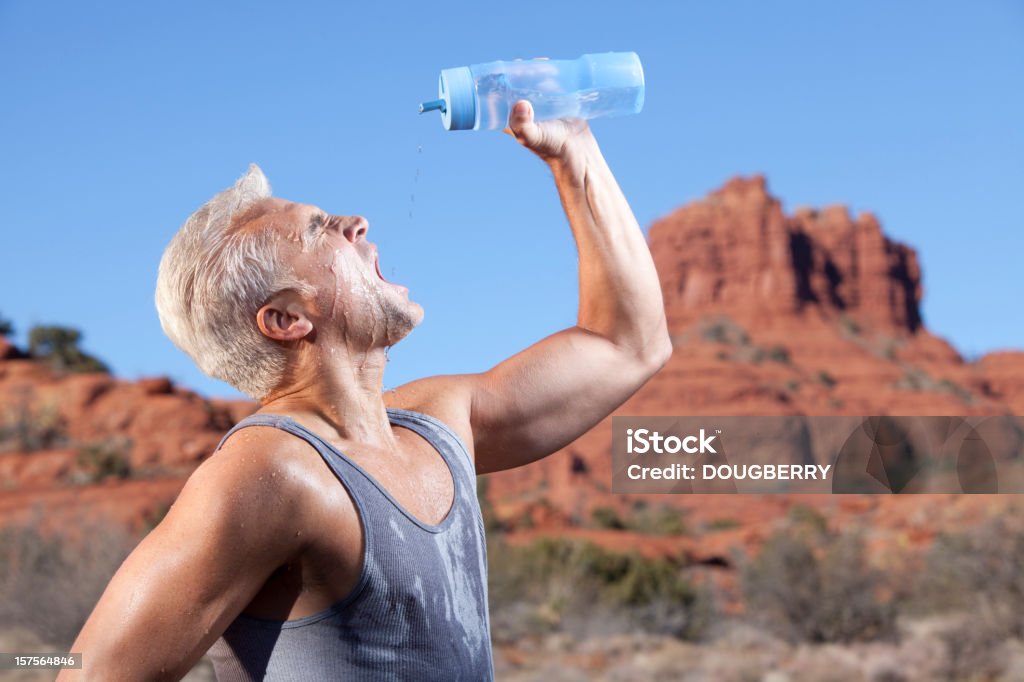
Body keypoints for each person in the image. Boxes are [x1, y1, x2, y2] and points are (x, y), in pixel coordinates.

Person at [59, 100, 671, 681]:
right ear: (286, 318)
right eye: (320, 229)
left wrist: (575, 154)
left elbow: (629, 343)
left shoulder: (438, 421)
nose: (357, 223)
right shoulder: (267, 474)